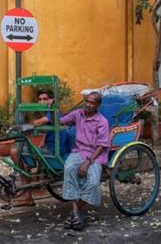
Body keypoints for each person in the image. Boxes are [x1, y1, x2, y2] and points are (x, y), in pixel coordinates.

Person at [8, 89, 73, 207]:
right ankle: (27, 192)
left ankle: (27, 193)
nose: (42, 102)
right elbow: (46, 134)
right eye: (40, 99)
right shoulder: (49, 112)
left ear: (52, 100)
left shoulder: (54, 113)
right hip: (48, 148)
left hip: (53, 151)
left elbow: (38, 123)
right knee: (19, 153)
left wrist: (19, 126)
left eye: (45, 99)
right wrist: (39, 145)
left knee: (15, 152)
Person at [60, 92, 110, 231]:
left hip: (95, 154)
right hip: (78, 151)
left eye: (92, 102)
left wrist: (88, 162)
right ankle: (77, 214)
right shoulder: (78, 114)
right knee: (69, 169)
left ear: (98, 105)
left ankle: (73, 213)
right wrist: (51, 110)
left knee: (93, 182)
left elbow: (102, 145)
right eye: (87, 101)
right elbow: (61, 121)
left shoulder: (102, 121)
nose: (88, 104)